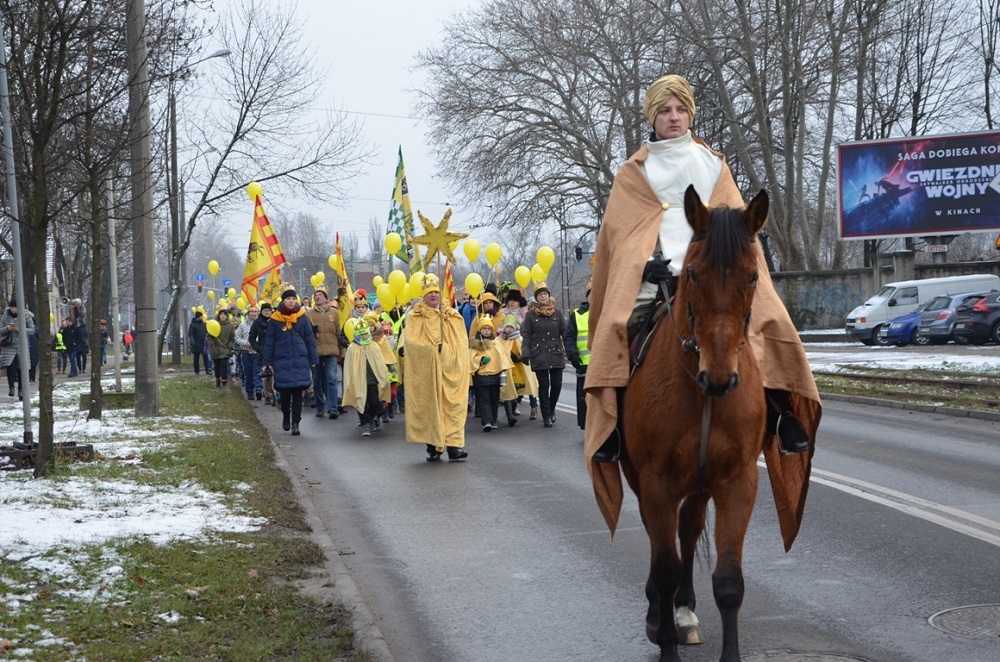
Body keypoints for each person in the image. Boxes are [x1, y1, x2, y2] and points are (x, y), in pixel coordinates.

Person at [584, 74, 821, 531]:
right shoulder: (633, 173)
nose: (674, 118)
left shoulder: (713, 164)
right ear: (652, 116)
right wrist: (641, 269)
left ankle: (782, 414)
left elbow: (736, 224)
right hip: (655, 283)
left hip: (715, 277)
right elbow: (621, 236)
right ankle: (610, 426)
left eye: (681, 110)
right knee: (619, 329)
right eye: (665, 110)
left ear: (690, 114)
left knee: (768, 324)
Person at [397, 273, 471, 462]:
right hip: (427, 372)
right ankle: (434, 447)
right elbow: (411, 342)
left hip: (450, 369)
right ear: (424, 295)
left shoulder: (452, 315)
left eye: (436, 292)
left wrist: (446, 350)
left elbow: (462, 342)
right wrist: (431, 351)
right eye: (430, 293)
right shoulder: (415, 316)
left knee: (453, 407)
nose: (434, 296)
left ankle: (454, 447)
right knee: (430, 407)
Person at [263, 286, 319, 436]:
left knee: (298, 392)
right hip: (281, 360)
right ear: (283, 301)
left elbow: (309, 339)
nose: (291, 301)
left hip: (300, 359)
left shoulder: (302, 317)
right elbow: (269, 342)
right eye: (288, 299)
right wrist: (266, 362)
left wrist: (314, 358)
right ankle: (286, 415)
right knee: (285, 393)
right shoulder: (275, 319)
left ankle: (295, 422)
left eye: (293, 299)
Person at [520, 283, 566, 428]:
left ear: (549, 295)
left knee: (557, 384)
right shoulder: (530, 314)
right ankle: (546, 415)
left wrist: (570, 349)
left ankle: (551, 408)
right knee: (544, 385)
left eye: (545, 294)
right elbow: (526, 335)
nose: (543, 296)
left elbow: (565, 332)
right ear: (536, 298)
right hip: (538, 353)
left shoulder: (557, 312)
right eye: (540, 295)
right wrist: (525, 353)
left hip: (555, 352)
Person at [342, 316, 390, 437]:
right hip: (359, 380)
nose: (363, 336)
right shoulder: (352, 348)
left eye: (365, 334)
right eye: (361, 334)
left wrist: (384, 376)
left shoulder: (373, 345)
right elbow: (349, 365)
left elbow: (379, 362)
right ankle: (366, 423)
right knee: (360, 400)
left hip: (372, 379)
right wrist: (350, 380)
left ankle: (374, 416)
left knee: (374, 401)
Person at [305, 285, 342, 419]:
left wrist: (341, 349)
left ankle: (332, 408)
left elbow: (339, 332)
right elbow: (305, 333)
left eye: (320, 295)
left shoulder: (334, 313)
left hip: (331, 351)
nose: (318, 297)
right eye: (316, 296)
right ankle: (320, 406)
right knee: (317, 380)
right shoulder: (309, 313)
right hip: (316, 352)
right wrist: (311, 331)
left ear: (326, 299)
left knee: (332, 379)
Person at [469, 315, 509, 431]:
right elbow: (471, 358)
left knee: (494, 399)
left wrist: (503, 368)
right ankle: (486, 421)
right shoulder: (476, 344)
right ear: (480, 330)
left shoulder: (496, 343)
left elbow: (502, 356)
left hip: (495, 375)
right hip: (481, 376)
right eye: (484, 328)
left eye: (488, 328)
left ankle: (493, 419)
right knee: (484, 399)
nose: (486, 330)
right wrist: (480, 360)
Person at [565, 282, 591, 429]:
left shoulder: (607, 311)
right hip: (583, 363)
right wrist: (573, 356)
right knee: (584, 399)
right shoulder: (577, 314)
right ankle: (586, 425)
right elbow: (569, 337)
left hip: (603, 364)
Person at [0, 300, 33, 398]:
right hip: (9, 344)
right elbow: (0, 330)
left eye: (16, 308)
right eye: (12, 308)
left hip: (21, 344)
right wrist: (8, 328)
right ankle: (11, 387)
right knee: (10, 366)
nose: (14, 310)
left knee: (22, 367)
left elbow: (32, 330)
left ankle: (21, 390)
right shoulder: (5, 316)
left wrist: (20, 329)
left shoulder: (27, 316)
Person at [235, 306, 263, 400]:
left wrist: (258, 344)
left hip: (257, 352)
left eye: (255, 311)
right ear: (248, 313)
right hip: (246, 352)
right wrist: (245, 343)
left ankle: (259, 390)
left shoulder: (261, 324)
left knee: (257, 372)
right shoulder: (242, 325)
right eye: (251, 311)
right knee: (248, 373)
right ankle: (250, 392)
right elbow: (237, 338)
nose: (253, 313)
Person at [247, 301, 273, 399]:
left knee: (276, 373)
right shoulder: (257, 323)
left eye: (269, 310)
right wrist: (258, 348)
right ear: (261, 312)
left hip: (276, 350)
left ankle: (277, 393)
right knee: (266, 374)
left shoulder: (275, 321)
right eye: (265, 310)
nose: (267, 312)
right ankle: (267, 394)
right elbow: (252, 338)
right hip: (263, 351)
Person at [207, 308, 236, 387]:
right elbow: (209, 336)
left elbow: (232, 337)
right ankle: (217, 379)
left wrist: (229, 347)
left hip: (225, 349)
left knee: (224, 365)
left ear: (227, 316)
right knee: (217, 366)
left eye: (224, 315)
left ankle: (224, 380)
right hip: (215, 349)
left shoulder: (230, 326)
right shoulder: (214, 324)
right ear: (219, 316)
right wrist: (213, 346)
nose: (223, 316)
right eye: (221, 314)